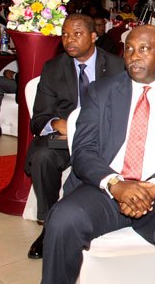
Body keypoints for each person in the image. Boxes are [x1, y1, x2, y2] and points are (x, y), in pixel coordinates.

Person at [42, 25, 155, 284]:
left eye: (144, 49)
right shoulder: (100, 91)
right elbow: (83, 150)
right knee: (63, 219)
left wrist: (151, 187)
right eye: (129, 49)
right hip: (107, 189)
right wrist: (116, 184)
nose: (133, 56)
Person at [24, 14, 125, 259]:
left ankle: (96, 219)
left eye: (77, 34)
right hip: (66, 139)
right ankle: (50, 225)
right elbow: (38, 118)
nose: (69, 40)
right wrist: (58, 124)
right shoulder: (53, 68)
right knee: (42, 156)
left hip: (103, 139)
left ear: (94, 36)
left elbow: (126, 109)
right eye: (65, 34)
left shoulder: (117, 66)